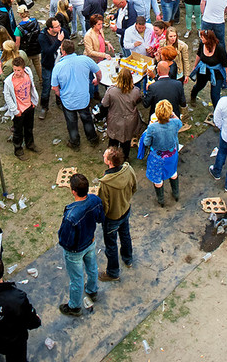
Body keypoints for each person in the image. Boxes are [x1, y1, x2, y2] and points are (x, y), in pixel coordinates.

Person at [57, 172, 105, 317]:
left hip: (75, 251)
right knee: (92, 268)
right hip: (90, 242)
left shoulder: (71, 215)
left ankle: (75, 307)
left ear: (73, 191)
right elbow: (100, 218)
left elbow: (65, 240)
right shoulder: (95, 200)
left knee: (77, 279)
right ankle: (92, 290)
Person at [97, 145, 137, 281]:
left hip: (112, 218)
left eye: (105, 155)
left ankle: (113, 272)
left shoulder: (105, 184)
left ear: (109, 162)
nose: (103, 156)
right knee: (125, 235)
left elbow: (104, 206)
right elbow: (134, 187)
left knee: (111, 245)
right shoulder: (129, 169)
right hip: (125, 210)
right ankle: (128, 259)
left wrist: (103, 217)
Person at [52, 39, 102, 149]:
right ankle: (93, 139)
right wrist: (97, 81)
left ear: (63, 52)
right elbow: (98, 72)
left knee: (71, 123)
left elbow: (54, 87)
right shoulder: (85, 60)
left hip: (68, 100)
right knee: (87, 119)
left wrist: (59, 94)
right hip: (83, 98)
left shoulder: (58, 67)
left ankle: (75, 143)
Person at [140, 98, 183, 205]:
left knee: (157, 179)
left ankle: (161, 200)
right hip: (172, 154)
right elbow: (180, 123)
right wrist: (172, 114)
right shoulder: (175, 123)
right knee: (173, 172)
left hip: (157, 157)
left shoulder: (152, 127)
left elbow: (146, 142)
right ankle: (176, 194)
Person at [102, 66, 145, 161]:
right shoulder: (136, 91)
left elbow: (104, 104)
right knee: (126, 141)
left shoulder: (111, 91)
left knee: (113, 140)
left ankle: (111, 159)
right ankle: (125, 158)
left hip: (115, 120)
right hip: (130, 120)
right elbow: (138, 101)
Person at [3, 55, 41, 158]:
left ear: (23, 69)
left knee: (29, 128)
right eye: (14, 70)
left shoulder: (28, 73)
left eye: (19, 70)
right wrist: (15, 110)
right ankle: (18, 149)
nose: (16, 72)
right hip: (19, 110)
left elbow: (31, 87)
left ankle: (30, 144)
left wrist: (33, 101)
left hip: (29, 106)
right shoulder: (8, 81)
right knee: (18, 131)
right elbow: (7, 96)